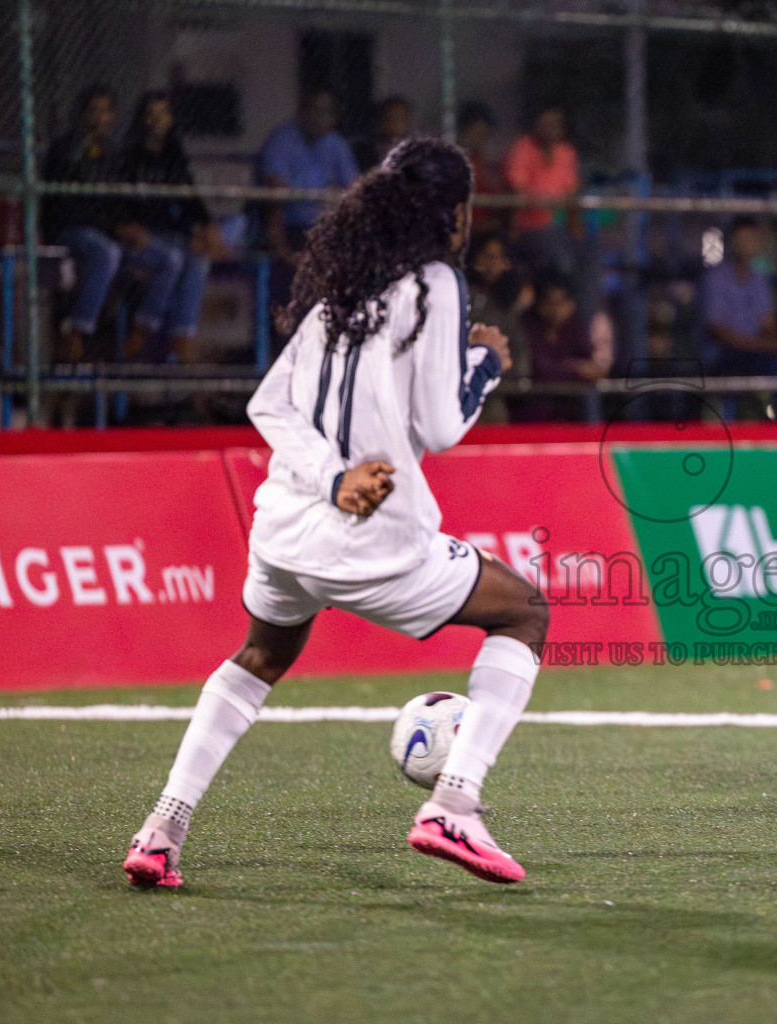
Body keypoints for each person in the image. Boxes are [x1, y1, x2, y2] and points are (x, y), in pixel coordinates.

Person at [123, 135, 545, 889]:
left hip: (286, 528)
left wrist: (330, 477)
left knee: (260, 658)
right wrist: (485, 365)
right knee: (524, 612)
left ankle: (162, 828)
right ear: (453, 213)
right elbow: (440, 426)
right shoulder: (435, 285)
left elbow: (268, 404)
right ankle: (454, 802)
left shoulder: (342, 287)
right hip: (372, 539)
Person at [116, 90, 227, 362]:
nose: (156, 121)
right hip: (140, 236)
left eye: (162, 114)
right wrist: (127, 226)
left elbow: (188, 197)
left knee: (200, 256)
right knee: (175, 259)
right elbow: (122, 206)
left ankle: (182, 334)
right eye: (150, 115)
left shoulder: (173, 153)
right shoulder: (129, 156)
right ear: (141, 120)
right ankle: (143, 327)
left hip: (169, 234)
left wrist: (205, 226)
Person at [257, 90, 361, 310]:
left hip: (325, 229)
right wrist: (283, 251)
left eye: (326, 112)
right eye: (315, 111)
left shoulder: (334, 143)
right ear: (301, 113)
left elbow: (354, 189)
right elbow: (274, 198)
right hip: (290, 230)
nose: (320, 117)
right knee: (292, 281)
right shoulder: (283, 139)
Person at [43, 84, 124, 362]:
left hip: (102, 230)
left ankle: (127, 341)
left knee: (165, 256)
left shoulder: (112, 153)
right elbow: (65, 206)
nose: (100, 118)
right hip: (70, 230)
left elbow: (118, 201)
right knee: (107, 252)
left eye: (106, 111)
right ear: (82, 115)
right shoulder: (67, 149)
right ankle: (78, 328)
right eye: (94, 111)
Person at [700, 215, 777, 418]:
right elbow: (718, 332)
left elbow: (768, 325)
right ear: (732, 242)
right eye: (742, 239)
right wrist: (764, 345)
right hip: (725, 356)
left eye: (752, 239)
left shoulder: (759, 280)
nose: (747, 244)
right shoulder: (715, 278)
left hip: (757, 355)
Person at [520, 272, 613, 421]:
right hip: (530, 417)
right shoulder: (524, 327)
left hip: (569, 416)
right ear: (538, 303)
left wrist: (565, 369)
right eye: (550, 302)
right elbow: (539, 372)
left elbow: (596, 370)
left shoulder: (573, 328)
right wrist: (575, 369)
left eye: (561, 302)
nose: (556, 310)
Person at [502, 105, 580, 274]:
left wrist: (575, 229)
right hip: (528, 227)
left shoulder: (566, 152)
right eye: (547, 123)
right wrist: (512, 230)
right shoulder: (522, 148)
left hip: (557, 227)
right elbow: (516, 193)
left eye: (556, 123)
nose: (552, 128)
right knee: (561, 258)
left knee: (591, 250)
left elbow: (571, 194)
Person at [466, 233, 533, 422]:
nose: (491, 264)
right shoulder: (461, 295)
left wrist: (493, 370)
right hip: (457, 385)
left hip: (494, 391)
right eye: (487, 256)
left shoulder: (510, 304)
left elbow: (521, 364)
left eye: (498, 258)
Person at [457, 101, 507, 234]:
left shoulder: (488, 161)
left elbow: (497, 195)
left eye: (485, 133)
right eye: (477, 132)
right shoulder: (454, 160)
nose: (481, 138)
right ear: (464, 130)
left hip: (489, 227)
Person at [352, 95, 414, 172]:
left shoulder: (413, 149)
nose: (397, 123)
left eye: (402, 118)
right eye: (392, 118)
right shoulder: (363, 149)